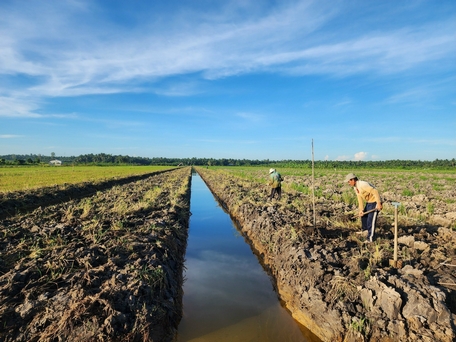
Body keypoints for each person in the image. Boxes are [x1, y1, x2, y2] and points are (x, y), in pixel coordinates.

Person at [345, 173, 382, 242]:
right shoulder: (355, 187)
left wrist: (379, 203)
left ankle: (370, 239)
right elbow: (359, 199)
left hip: (375, 202)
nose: (348, 183)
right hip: (369, 202)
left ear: (353, 180)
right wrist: (361, 210)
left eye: (349, 181)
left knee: (370, 221)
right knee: (364, 216)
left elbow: (375, 191)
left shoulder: (363, 185)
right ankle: (365, 231)